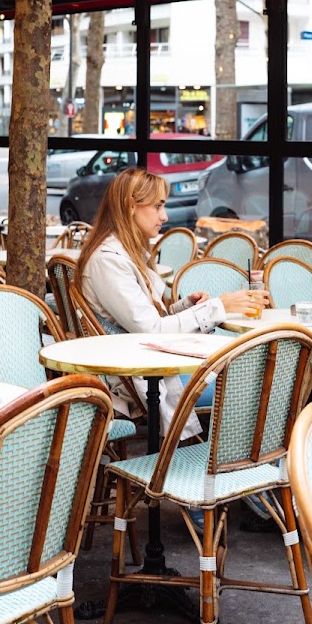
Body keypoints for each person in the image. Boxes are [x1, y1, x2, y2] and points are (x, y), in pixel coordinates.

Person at [75, 166, 265, 441]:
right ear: (131, 206)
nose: (164, 216)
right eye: (157, 206)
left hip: (151, 367)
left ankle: (218, 460)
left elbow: (137, 319)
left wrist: (184, 306)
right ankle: (224, 466)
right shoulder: (109, 260)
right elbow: (150, 329)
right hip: (143, 378)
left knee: (248, 375)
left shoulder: (121, 253)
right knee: (253, 382)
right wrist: (218, 307)